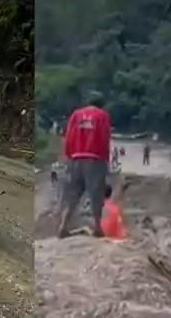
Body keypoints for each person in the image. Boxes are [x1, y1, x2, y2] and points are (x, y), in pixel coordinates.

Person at [56, 91, 111, 238]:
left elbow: (68, 136)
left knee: (73, 194)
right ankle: (98, 228)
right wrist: (106, 159)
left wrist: (68, 155)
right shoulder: (102, 115)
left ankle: (63, 227)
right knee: (96, 194)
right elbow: (104, 137)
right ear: (101, 104)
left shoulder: (76, 114)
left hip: (75, 158)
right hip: (94, 159)